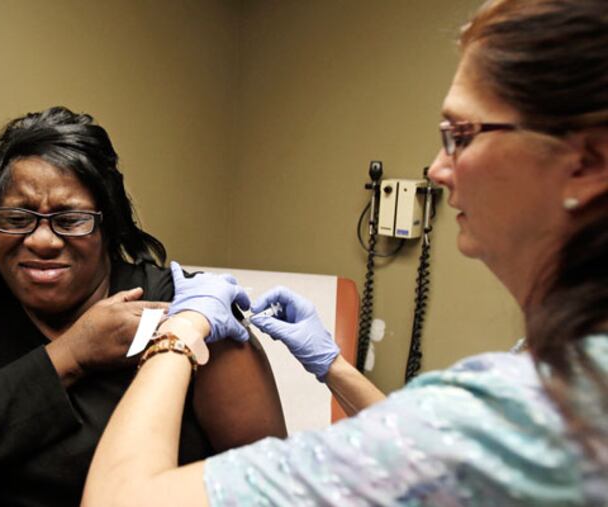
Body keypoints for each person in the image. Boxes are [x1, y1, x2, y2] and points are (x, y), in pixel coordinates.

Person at [80, 0, 608, 505]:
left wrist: (180, 333)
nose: (438, 170)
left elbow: (119, 500)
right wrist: (334, 367)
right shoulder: (561, 380)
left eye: (460, 136)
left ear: (585, 162)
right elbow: (425, 464)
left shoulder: (529, 413)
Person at [0, 106, 286, 506]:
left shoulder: (189, 311)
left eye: (71, 219)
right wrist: (70, 354)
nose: (41, 240)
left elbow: (270, 489)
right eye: (16, 217)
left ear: (108, 223)